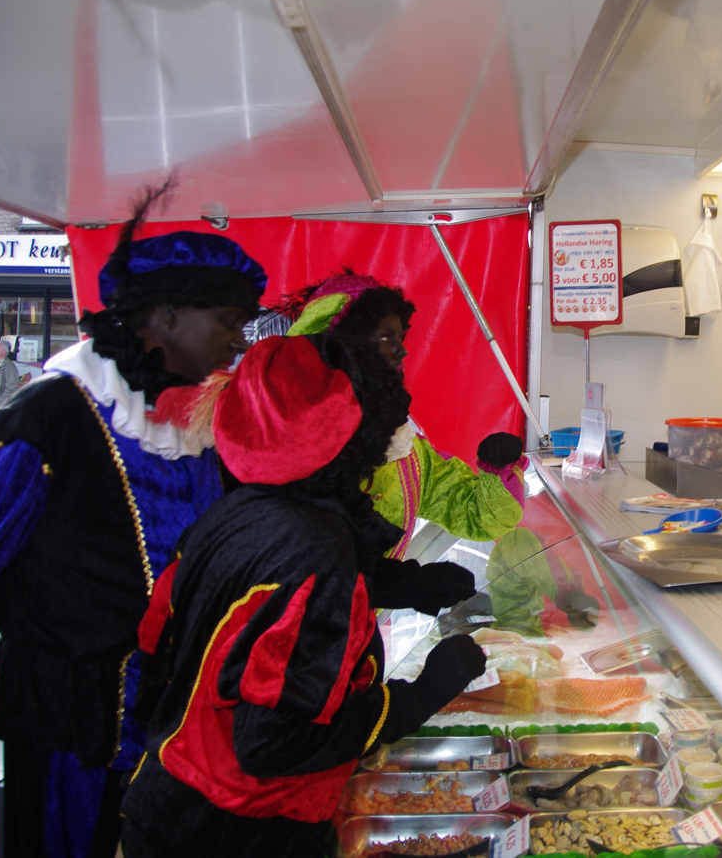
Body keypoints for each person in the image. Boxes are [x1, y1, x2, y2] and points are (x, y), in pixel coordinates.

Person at [0, 182, 267, 858]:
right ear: (165, 314)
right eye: (227, 319)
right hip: (66, 736)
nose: (238, 341)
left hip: (169, 736)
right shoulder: (44, 419)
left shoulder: (193, 429)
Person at [120, 334, 487, 858]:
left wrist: (401, 583)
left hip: (170, 795)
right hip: (240, 828)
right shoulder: (315, 546)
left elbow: (171, 643)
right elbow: (274, 739)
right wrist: (416, 698)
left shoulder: (241, 509)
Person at [278, 271, 527, 554]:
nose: (401, 352)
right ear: (342, 345)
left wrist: (498, 469)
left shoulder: (403, 447)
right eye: (386, 338)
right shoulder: (284, 440)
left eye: (400, 338)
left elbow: (473, 514)